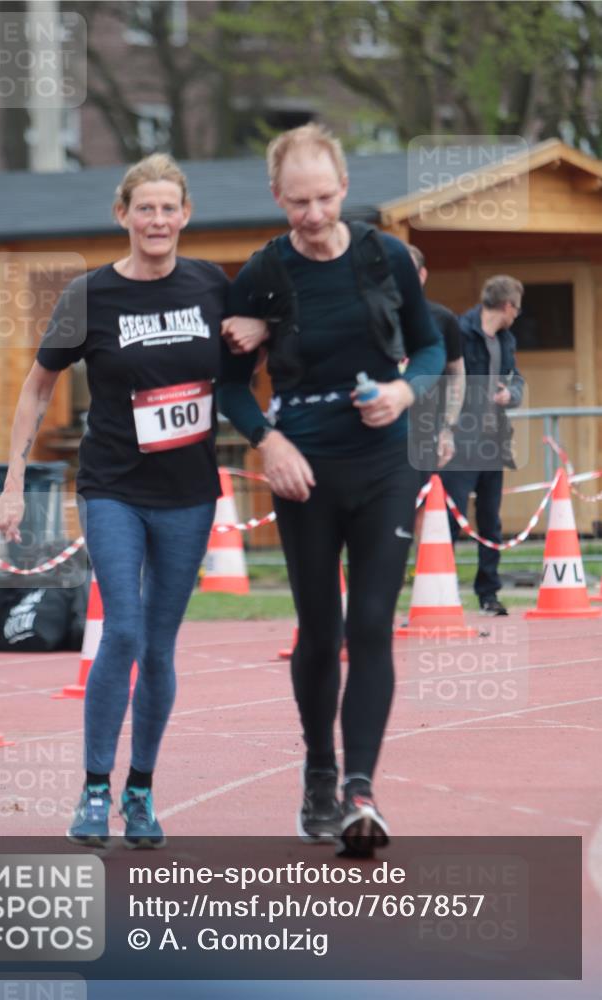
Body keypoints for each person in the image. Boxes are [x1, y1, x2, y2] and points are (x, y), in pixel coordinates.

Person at [0, 153, 262, 848]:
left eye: (169, 207)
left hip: (189, 493)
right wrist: (16, 481)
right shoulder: (89, 295)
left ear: (185, 215)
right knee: (125, 632)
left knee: (162, 649)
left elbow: (245, 355)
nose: (158, 220)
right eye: (145, 208)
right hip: (112, 484)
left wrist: (261, 335)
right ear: (123, 216)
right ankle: (92, 789)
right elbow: (37, 387)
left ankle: (139, 790)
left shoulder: (210, 283)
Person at [218, 124, 445, 855]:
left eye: (323, 198)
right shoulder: (263, 272)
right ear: (276, 197)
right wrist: (269, 441)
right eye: (296, 202)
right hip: (303, 470)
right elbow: (229, 385)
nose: (311, 215)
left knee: (371, 624)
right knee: (320, 628)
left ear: (344, 189)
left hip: (383, 463)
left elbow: (433, 343)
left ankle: (360, 791)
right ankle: (319, 772)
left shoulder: (383, 256)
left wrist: (406, 393)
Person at [440, 276, 525, 616]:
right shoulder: (459, 332)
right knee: (451, 516)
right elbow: (443, 379)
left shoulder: (506, 340)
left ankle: (488, 593)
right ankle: (441, 589)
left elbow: (515, 377)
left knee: (490, 521)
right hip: (461, 440)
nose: (517, 315)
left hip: (493, 440)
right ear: (508, 306)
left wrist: (511, 394)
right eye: (517, 309)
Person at [406, 244, 465, 543]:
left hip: (425, 432)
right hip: (376, 432)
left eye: (407, 273)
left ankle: (423, 579)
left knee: (424, 507)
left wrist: (448, 428)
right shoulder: (369, 318)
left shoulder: (442, 319)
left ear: (423, 275)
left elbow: (457, 372)